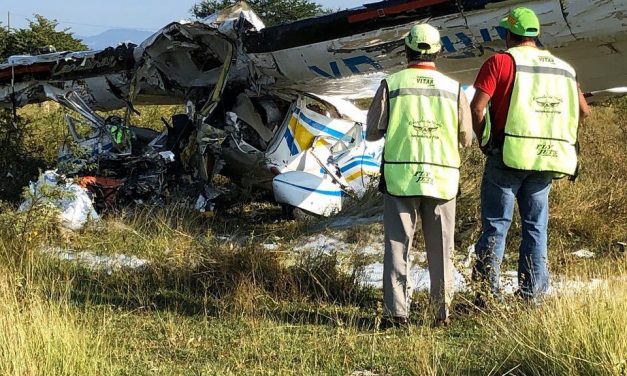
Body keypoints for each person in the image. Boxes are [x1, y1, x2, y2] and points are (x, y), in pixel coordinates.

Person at [470, 7, 590, 303]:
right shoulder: (564, 69)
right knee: (536, 229)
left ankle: (487, 296)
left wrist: (485, 140)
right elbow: (583, 111)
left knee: (497, 225)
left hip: (507, 155)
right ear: (536, 36)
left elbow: (477, 108)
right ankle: (532, 296)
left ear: (510, 34)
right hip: (547, 160)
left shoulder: (500, 61)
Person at [367, 23, 473, 326]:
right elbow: (466, 137)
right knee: (442, 250)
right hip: (442, 179)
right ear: (439, 51)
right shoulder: (454, 89)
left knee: (397, 246)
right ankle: (442, 314)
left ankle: (397, 313)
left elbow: (373, 131)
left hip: (401, 177)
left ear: (406, 50)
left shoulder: (392, 83)